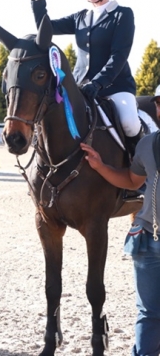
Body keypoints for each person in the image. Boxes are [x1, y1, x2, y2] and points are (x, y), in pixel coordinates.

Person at [81, 84, 160, 356]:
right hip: (148, 240)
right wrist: (101, 166)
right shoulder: (148, 144)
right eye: (159, 102)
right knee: (148, 314)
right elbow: (131, 180)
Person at [32, 0, 142, 155]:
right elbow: (45, 28)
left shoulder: (122, 14)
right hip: (80, 86)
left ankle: (139, 169)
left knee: (130, 123)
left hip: (114, 87)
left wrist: (98, 83)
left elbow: (119, 56)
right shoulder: (79, 18)